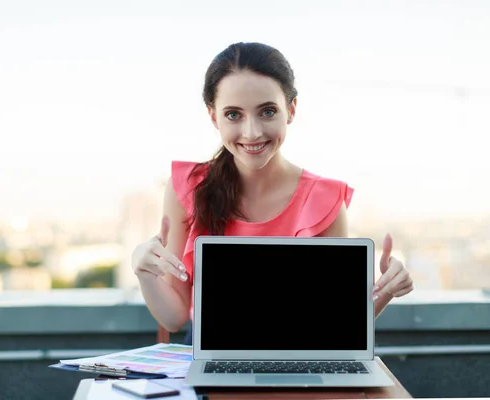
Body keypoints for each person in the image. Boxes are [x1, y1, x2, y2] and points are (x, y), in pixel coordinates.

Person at [132, 42, 413, 345]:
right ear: (213, 117)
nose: (252, 132)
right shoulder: (187, 187)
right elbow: (174, 318)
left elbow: (335, 322)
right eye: (233, 115)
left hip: (299, 352)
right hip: (207, 352)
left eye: (267, 111)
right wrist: (144, 272)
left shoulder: (324, 199)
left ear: (290, 110)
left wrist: (384, 289)